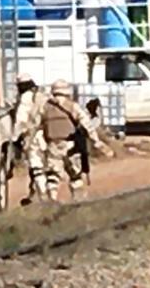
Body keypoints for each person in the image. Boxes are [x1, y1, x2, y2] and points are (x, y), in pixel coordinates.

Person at [38, 80, 103, 202]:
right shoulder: (72, 106)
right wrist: (96, 140)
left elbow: (37, 126)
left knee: (52, 176)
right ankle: (78, 201)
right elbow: (87, 124)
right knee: (75, 175)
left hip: (53, 145)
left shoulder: (45, 108)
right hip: (71, 146)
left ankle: (51, 201)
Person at [12, 73, 48, 205]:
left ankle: (44, 197)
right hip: (47, 135)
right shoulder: (42, 95)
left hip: (33, 137)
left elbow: (21, 122)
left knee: (36, 166)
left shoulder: (26, 98)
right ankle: (34, 195)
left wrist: (15, 138)